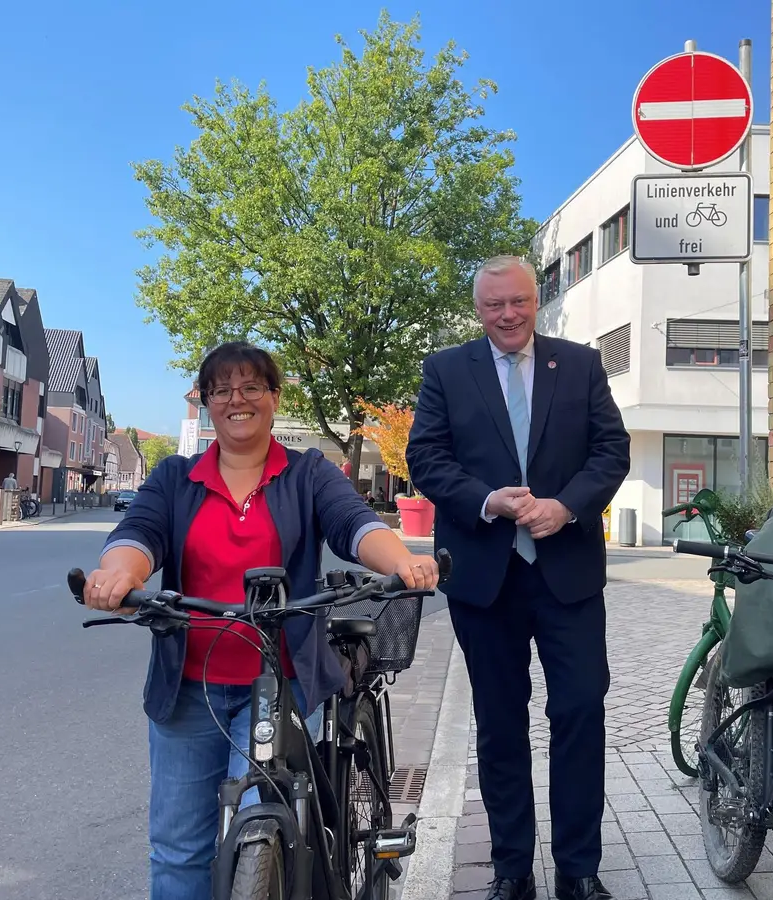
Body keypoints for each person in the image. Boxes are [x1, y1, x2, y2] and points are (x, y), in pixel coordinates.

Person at [83, 342, 439, 900]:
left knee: (265, 821)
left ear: (274, 397)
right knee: (179, 848)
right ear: (205, 403)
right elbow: (137, 536)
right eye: (221, 390)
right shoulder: (175, 477)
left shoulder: (308, 473)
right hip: (188, 691)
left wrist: (403, 563)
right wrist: (117, 576)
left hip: (279, 685)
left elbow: (354, 524)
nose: (236, 399)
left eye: (252, 387)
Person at [406, 255, 630, 900]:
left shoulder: (580, 363)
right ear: (477, 309)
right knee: (500, 723)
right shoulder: (447, 369)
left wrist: (566, 507)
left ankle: (578, 869)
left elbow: (610, 449)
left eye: (518, 303)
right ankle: (511, 869)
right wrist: (487, 500)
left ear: (539, 300)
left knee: (582, 711)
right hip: (486, 574)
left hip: (569, 573)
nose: (507, 315)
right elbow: (426, 457)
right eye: (493, 305)